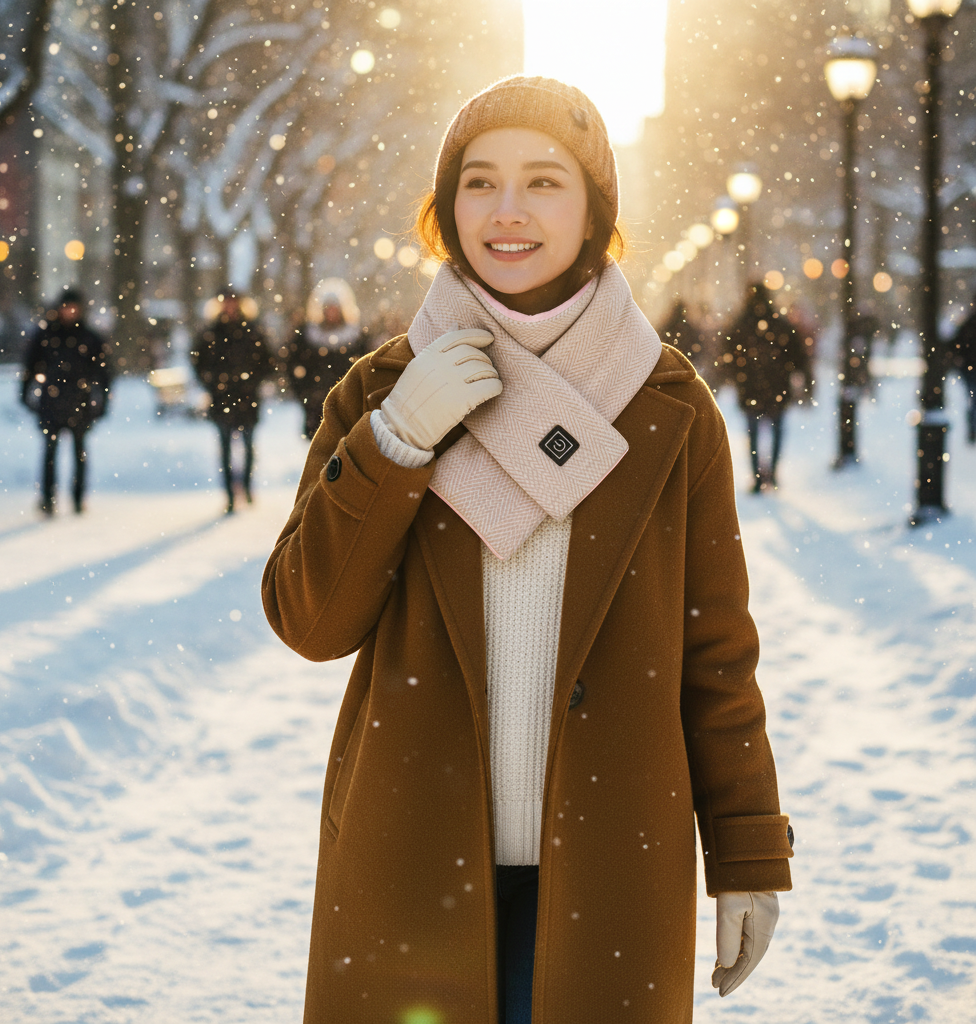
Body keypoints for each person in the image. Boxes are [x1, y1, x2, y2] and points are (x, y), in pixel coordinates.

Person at [262, 77, 793, 1024]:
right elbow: (310, 619)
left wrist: (748, 854)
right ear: (447, 206)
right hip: (411, 860)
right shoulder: (381, 390)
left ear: (594, 210)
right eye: (479, 182)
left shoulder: (670, 408)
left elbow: (716, 655)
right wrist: (396, 444)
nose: (506, 212)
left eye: (544, 182)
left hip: (613, 863)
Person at [21, 287, 113, 515]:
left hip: (79, 403)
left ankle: (78, 498)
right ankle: (48, 498)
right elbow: (31, 366)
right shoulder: (46, 336)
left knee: (79, 452)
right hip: (52, 403)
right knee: (50, 452)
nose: (70, 312)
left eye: (74, 308)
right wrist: (26, 392)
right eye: (66, 307)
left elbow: (104, 372)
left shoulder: (89, 338)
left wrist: (102, 400)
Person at [721, 281, 812, 492]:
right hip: (776, 386)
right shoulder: (779, 323)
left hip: (750, 386)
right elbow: (797, 356)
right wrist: (796, 375)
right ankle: (773, 472)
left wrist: (737, 374)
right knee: (777, 428)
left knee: (752, 431)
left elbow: (728, 356)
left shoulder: (740, 324)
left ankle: (757, 477)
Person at [191, 291, 271, 513]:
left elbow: (267, 361)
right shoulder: (211, 333)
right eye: (226, 303)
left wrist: (252, 381)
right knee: (225, 446)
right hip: (222, 397)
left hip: (247, 397)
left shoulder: (253, 331)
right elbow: (198, 362)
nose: (230, 307)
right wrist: (213, 383)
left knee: (247, 445)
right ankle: (229, 494)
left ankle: (245, 486)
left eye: (233, 303)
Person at [285, 287, 365, 438]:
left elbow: (366, 366)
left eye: (335, 308)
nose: (331, 312)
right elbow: (292, 365)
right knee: (318, 448)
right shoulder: (307, 336)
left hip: (347, 403)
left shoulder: (356, 337)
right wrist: (304, 393)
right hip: (316, 403)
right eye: (328, 308)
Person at [949, 297, 976, 444]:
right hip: (970, 369)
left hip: (969, 369)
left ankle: (972, 428)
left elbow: (955, 345)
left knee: (973, 399)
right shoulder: (967, 324)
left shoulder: (967, 323)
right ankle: (972, 428)